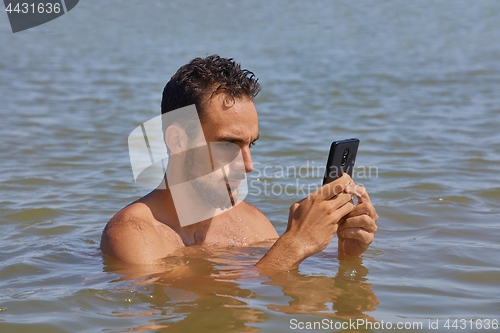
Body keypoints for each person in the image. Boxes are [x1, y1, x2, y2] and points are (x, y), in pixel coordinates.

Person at [100, 55, 378, 272]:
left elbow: (276, 278)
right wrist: (295, 243)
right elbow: (191, 295)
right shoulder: (132, 234)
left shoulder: (251, 223)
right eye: (228, 144)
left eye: (250, 144)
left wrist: (345, 253)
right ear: (177, 140)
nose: (247, 165)